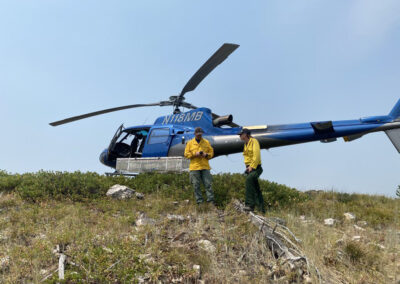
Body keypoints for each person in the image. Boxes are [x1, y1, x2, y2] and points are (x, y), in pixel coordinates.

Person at [184, 127, 215, 205]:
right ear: (194, 134)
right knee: (196, 185)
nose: (199, 136)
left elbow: (211, 153)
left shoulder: (206, 142)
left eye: (200, 135)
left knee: (208, 184)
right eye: (198, 135)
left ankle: (211, 202)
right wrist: (195, 154)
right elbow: (186, 154)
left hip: (205, 167)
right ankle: (200, 202)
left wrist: (206, 155)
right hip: (194, 167)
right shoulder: (190, 143)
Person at [238, 128, 265, 213]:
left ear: (246, 134)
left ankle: (249, 205)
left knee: (249, 180)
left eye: (241, 134)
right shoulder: (245, 144)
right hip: (250, 168)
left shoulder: (254, 141)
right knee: (256, 188)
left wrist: (252, 167)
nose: (240, 136)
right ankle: (262, 210)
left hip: (256, 168)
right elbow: (246, 158)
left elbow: (256, 156)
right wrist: (247, 167)